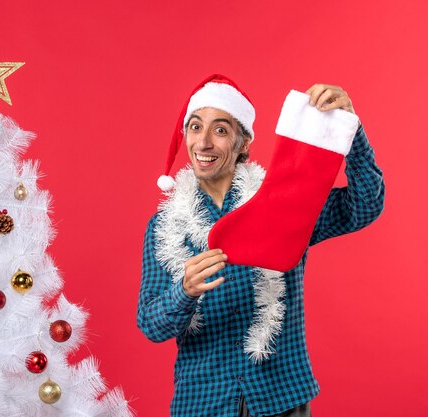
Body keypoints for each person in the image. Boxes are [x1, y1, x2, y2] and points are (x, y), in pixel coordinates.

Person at [137, 74, 385, 417]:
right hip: (202, 402)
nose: (204, 142)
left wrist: (350, 130)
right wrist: (185, 290)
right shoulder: (164, 226)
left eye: (220, 130)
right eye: (195, 127)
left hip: (281, 396)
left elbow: (364, 207)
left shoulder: (285, 205)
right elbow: (150, 325)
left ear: (243, 143)